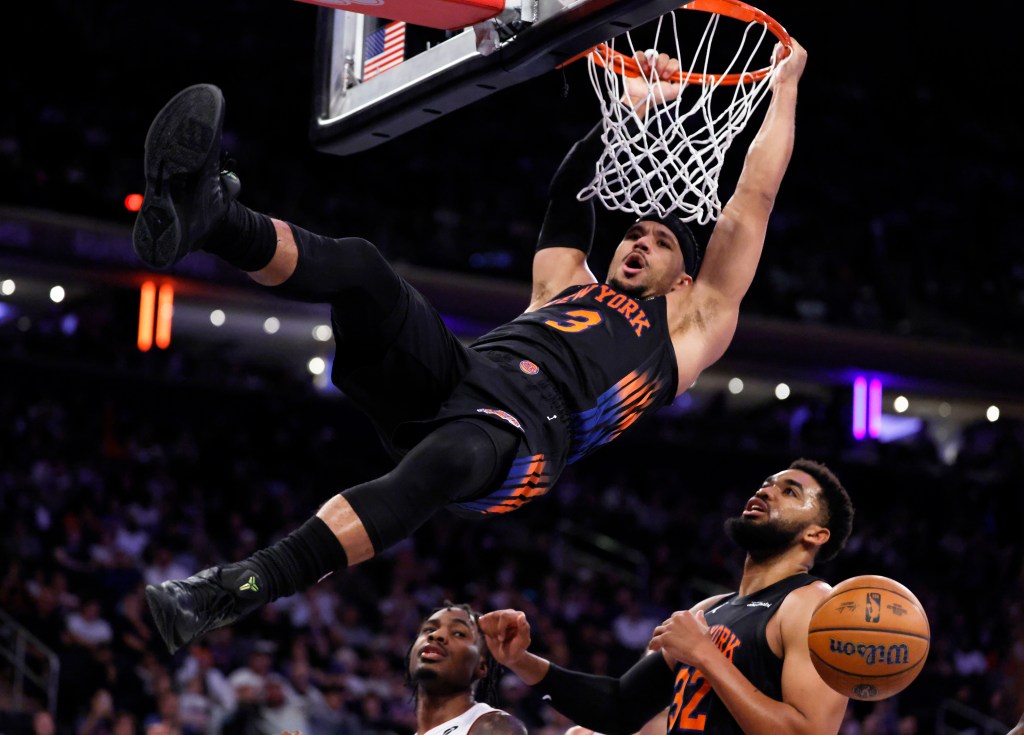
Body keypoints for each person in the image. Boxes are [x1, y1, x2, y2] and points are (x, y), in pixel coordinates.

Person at [139, 38, 808, 655]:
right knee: (364, 268)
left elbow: (753, 200)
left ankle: (229, 590)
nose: (640, 242)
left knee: (456, 450)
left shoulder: (690, 328)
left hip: (527, 440)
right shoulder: (564, 283)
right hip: (457, 374)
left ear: (684, 280)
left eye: (661, 242)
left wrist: (785, 89)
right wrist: (626, 112)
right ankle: (215, 217)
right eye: (635, 232)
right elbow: (568, 198)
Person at [479, 458, 855, 735]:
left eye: (789, 491)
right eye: (767, 483)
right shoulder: (709, 609)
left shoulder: (814, 604)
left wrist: (705, 655)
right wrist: (521, 661)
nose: (765, 490)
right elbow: (619, 706)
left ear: (816, 535)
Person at [404, 603, 527, 735]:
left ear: (481, 666)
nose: (436, 635)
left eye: (458, 633)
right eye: (429, 629)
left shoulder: (494, 727)